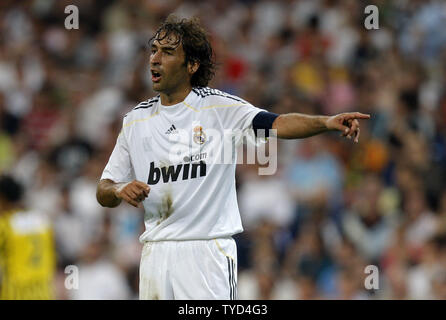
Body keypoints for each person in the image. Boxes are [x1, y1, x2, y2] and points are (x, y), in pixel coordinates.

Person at [96, 15, 370, 300]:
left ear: (191, 65)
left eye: (167, 52)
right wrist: (118, 189)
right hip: (155, 253)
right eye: (153, 50)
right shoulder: (135, 121)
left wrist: (325, 122)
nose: (154, 59)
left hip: (207, 252)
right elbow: (104, 188)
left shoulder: (220, 108)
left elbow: (278, 124)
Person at [0, 174, 56, 299]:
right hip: (44, 293)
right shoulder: (42, 220)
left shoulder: (5, 225)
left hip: (14, 294)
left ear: (2, 199)